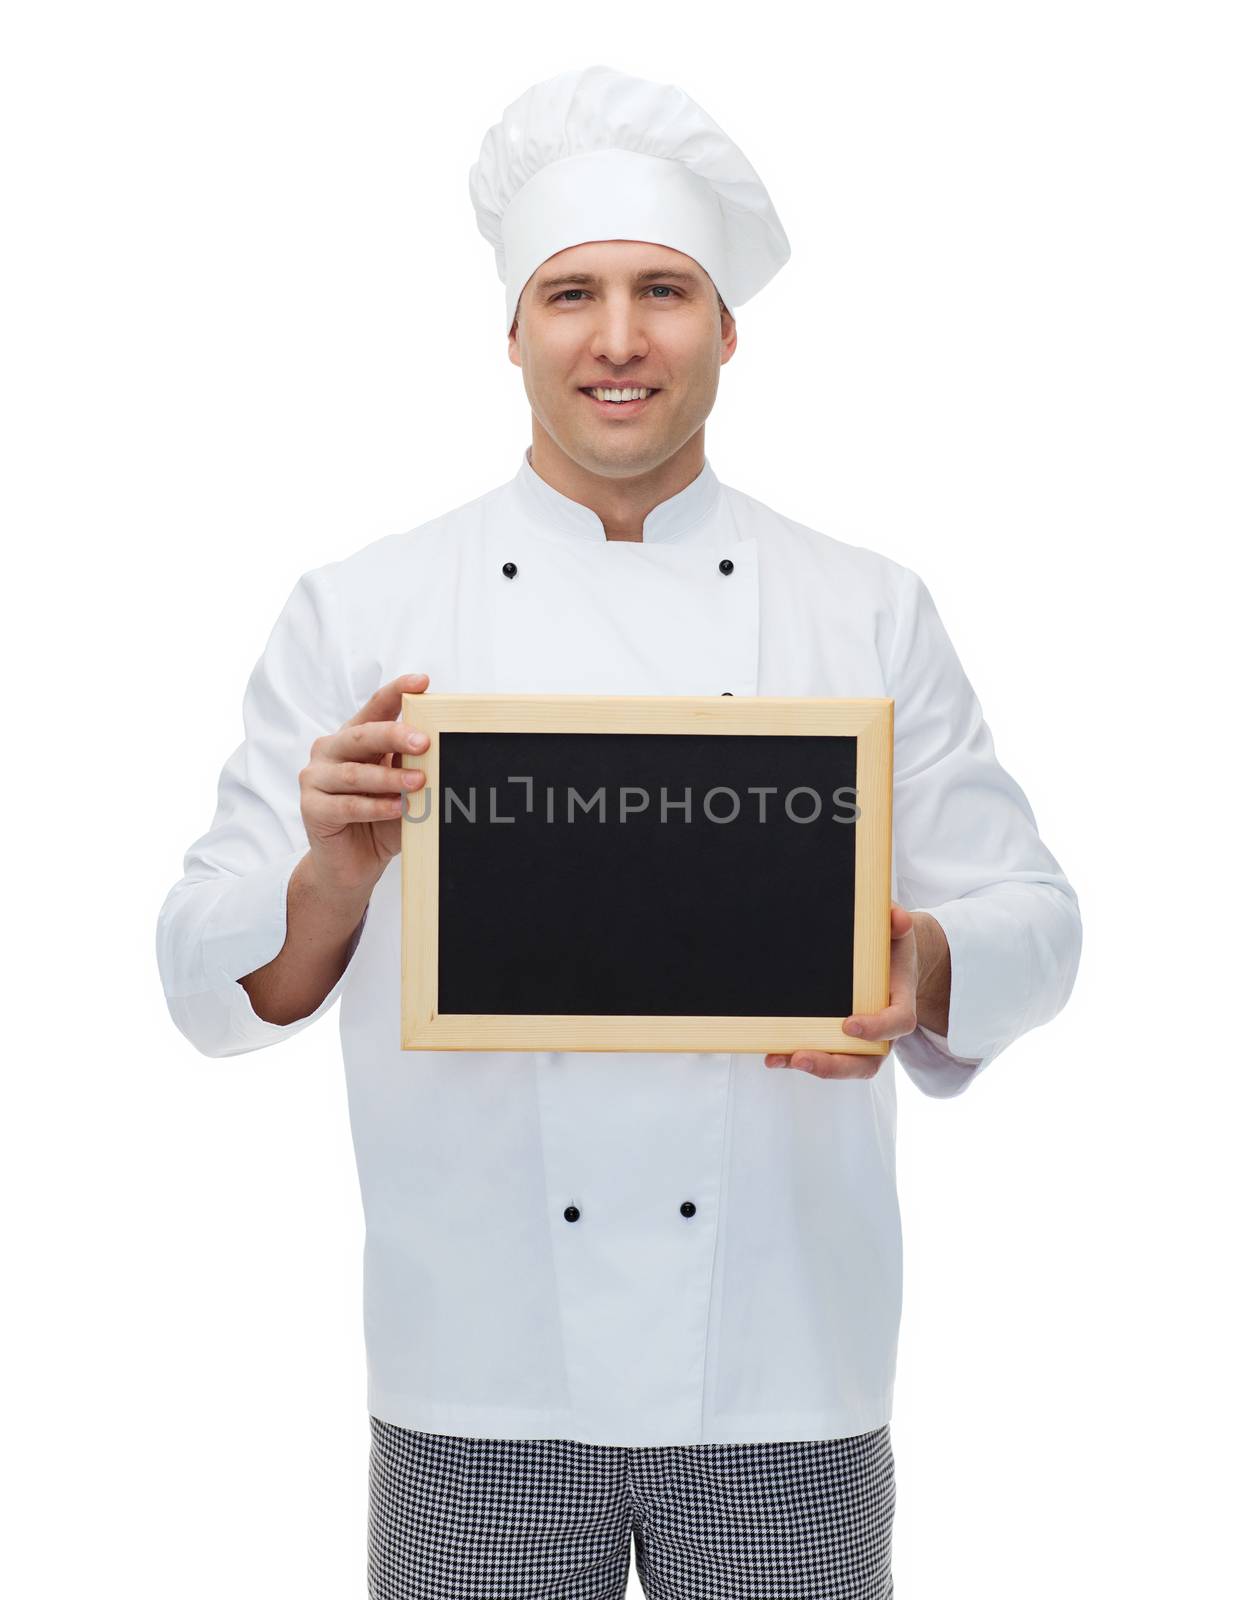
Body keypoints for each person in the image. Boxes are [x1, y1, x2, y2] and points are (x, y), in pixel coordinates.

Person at [156, 63, 1082, 1600]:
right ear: (511, 332)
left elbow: (1038, 920)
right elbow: (201, 976)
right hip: (476, 1368)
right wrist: (331, 873)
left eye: (663, 291)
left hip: (785, 1363)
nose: (618, 338)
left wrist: (913, 964)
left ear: (725, 331)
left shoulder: (859, 606)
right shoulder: (364, 610)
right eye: (570, 294)